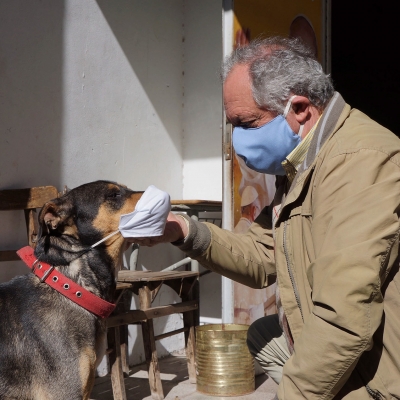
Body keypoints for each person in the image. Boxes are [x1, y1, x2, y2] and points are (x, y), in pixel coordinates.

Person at [129, 37, 400, 399]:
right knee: (262, 335)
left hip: (378, 376)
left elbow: (344, 317)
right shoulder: (299, 165)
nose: (236, 140)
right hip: (344, 344)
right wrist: (182, 229)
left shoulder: (361, 160)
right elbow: (261, 254)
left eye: (246, 123)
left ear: (300, 108)